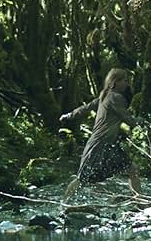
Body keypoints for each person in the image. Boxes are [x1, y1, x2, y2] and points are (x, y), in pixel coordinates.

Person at [59, 68, 142, 200]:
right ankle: (63, 204)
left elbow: (85, 108)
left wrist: (68, 115)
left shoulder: (105, 95)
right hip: (100, 144)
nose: (127, 84)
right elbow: (128, 119)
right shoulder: (116, 97)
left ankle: (140, 203)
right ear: (115, 82)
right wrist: (142, 124)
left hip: (106, 144)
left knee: (132, 169)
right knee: (82, 178)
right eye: (125, 81)